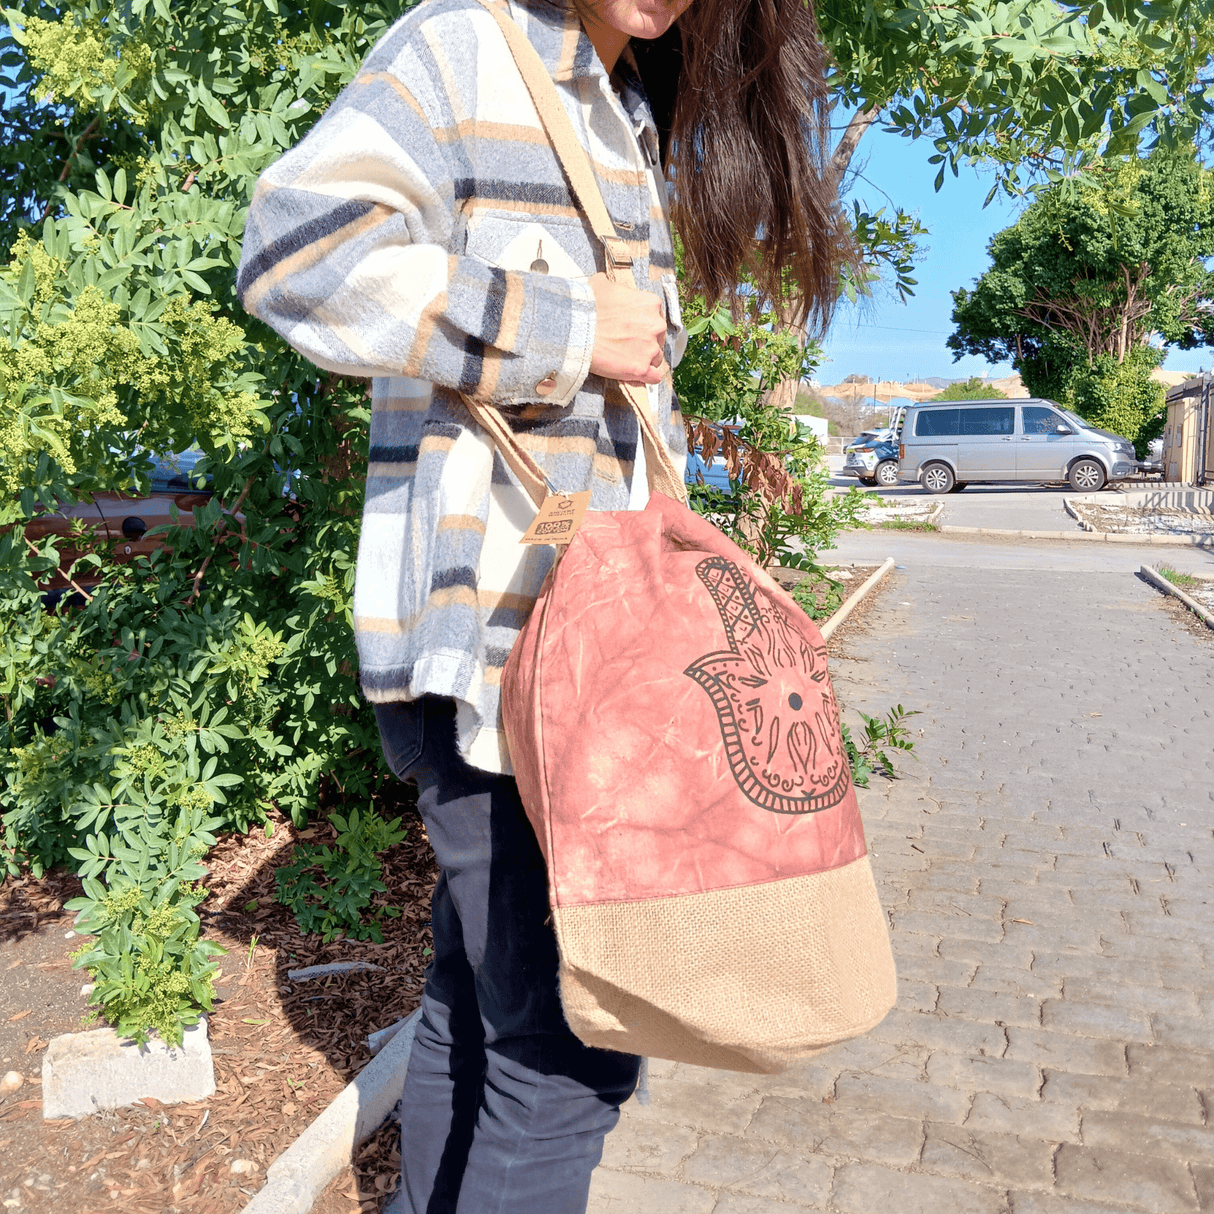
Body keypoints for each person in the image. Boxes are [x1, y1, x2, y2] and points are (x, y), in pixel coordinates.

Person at [237, 0, 847, 1206]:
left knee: (480, 1018)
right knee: (565, 1062)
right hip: (506, 666)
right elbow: (294, 252)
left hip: (574, 665)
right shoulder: (462, 47)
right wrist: (566, 328)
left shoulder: (615, 109)